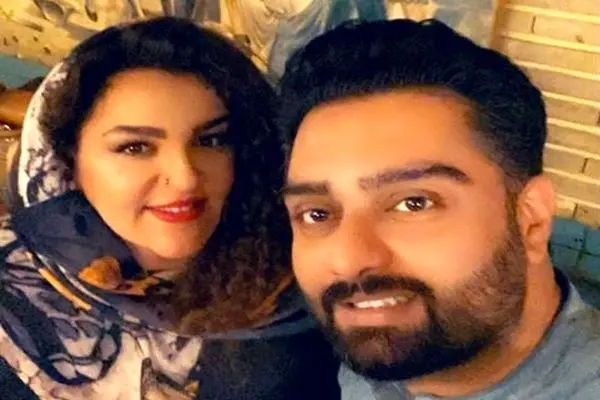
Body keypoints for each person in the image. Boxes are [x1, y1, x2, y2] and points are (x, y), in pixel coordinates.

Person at [0, 17, 340, 399]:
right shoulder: (12, 289)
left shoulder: (305, 282)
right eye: (136, 147)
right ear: (67, 162)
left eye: (211, 140)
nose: (185, 178)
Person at [278, 19, 600, 400]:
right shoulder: (388, 336)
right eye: (316, 214)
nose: (348, 261)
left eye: (414, 203)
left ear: (532, 218)